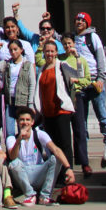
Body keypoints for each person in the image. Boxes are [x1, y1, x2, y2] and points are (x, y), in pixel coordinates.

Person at [6, 107, 74, 206]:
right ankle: (30, 195)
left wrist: (68, 168)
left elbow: (56, 150)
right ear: (17, 122)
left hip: (39, 172)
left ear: (32, 122)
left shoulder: (39, 134)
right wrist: (19, 139)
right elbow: (12, 156)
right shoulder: (12, 139)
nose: (25, 122)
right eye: (22, 120)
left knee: (55, 159)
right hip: (23, 175)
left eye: (27, 120)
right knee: (14, 163)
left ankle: (45, 196)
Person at [73, 11, 106, 166]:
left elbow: (101, 57)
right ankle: (85, 149)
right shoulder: (73, 38)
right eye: (77, 20)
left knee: (101, 114)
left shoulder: (93, 37)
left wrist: (101, 78)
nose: (79, 22)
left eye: (82, 21)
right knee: (81, 120)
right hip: (81, 84)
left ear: (87, 23)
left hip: (94, 82)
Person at [34, 40, 75, 173]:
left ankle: (68, 173)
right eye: (47, 51)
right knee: (53, 146)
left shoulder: (62, 66)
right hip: (47, 113)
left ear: (56, 52)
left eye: (52, 51)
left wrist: (77, 58)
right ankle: (57, 175)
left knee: (65, 144)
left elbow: (78, 74)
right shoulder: (41, 69)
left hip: (61, 111)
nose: (49, 54)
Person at [0, 38, 36, 139]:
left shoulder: (27, 64)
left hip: (23, 101)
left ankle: (22, 151)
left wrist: (30, 103)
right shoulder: (7, 63)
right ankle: (10, 152)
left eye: (15, 49)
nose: (13, 52)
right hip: (9, 101)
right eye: (11, 50)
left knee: (23, 129)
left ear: (21, 50)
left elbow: (32, 84)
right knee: (9, 131)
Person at [60, 33, 93, 175]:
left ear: (74, 43)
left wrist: (77, 81)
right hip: (64, 96)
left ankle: (84, 162)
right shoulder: (60, 59)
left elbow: (86, 79)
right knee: (65, 132)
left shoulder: (81, 60)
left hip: (77, 96)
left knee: (80, 129)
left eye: (69, 43)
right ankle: (68, 164)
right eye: (65, 44)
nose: (68, 46)